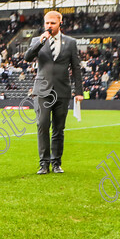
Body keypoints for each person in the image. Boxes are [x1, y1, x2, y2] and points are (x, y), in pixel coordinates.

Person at [24, 11, 83, 174]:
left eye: (52, 23)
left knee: (59, 128)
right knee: (42, 125)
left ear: (60, 23)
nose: (49, 26)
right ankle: (44, 163)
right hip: (42, 91)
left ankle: (56, 163)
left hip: (62, 90)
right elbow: (27, 57)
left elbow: (76, 67)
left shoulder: (71, 43)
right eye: (47, 23)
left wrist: (79, 91)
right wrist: (40, 42)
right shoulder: (37, 40)